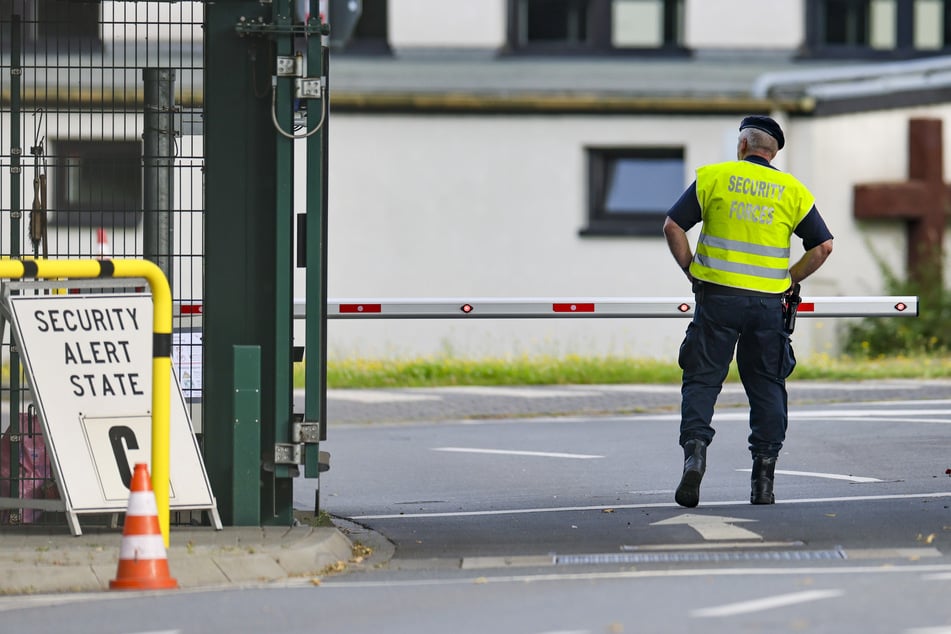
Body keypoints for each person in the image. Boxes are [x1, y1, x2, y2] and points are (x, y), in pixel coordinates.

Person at [663, 115, 833, 508]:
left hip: (717, 299)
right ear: (773, 154)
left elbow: (673, 226)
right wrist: (789, 278)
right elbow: (822, 246)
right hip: (767, 306)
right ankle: (763, 481)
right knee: (767, 386)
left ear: (742, 146)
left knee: (703, 380)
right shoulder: (792, 191)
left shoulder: (714, 178)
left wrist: (691, 269)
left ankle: (695, 454)